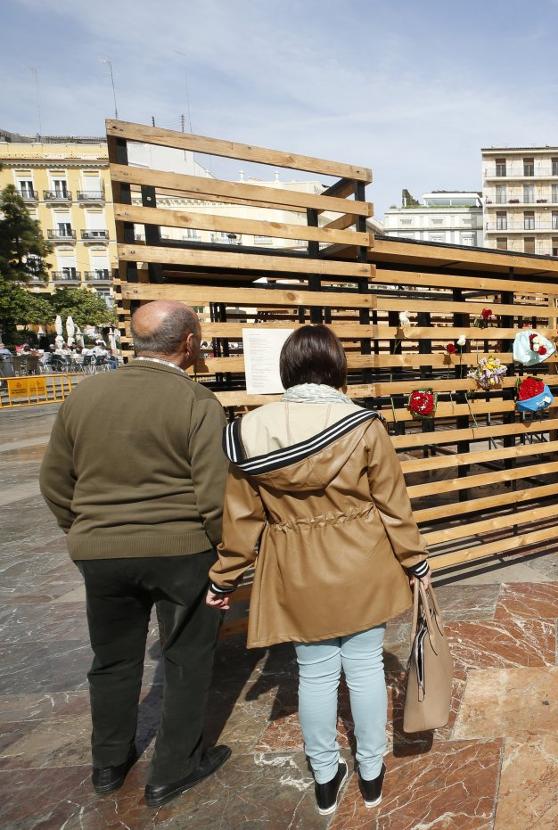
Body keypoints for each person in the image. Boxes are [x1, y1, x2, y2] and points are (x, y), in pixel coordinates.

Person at [205, 325, 431, 816]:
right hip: (362, 561)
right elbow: (394, 507)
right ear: (338, 369)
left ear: (287, 369)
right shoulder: (364, 425)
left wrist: (223, 578)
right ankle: (372, 774)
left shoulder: (248, 431)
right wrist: (416, 561)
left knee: (314, 674)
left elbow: (241, 521)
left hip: (295, 567)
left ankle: (326, 780)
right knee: (367, 668)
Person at [38, 301, 231, 807]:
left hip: (100, 552)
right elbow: (213, 497)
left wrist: (84, 531)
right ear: (188, 342)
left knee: (113, 659)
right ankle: (174, 769)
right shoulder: (197, 402)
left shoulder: (85, 395)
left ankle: (108, 764)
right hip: (181, 549)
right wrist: (225, 556)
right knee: (187, 657)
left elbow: (55, 480)